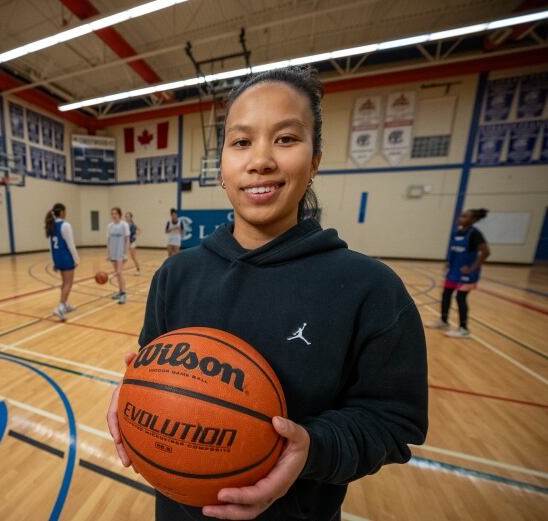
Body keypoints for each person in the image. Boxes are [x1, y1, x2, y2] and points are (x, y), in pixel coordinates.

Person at [107, 67, 428, 521]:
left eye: (286, 139)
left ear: (315, 159)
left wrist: (311, 448)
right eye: (241, 142)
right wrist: (135, 397)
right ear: (221, 164)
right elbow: (151, 371)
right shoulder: (176, 275)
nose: (260, 160)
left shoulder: (370, 290)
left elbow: (395, 423)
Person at [427, 209, 490, 338]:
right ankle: (444, 321)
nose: (460, 218)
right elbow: (454, 251)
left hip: (467, 275)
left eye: (464, 216)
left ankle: (463, 328)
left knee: (461, 298)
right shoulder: (456, 232)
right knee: (446, 295)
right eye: (461, 216)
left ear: (473, 220)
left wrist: (472, 268)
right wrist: (449, 264)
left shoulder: (475, 234)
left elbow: (485, 252)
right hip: (453, 272)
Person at [45, 203, 80, 321]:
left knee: (64, 282)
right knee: (68, 283)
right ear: (62, 213)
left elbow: (50, 246)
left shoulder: (51, 225)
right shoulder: (65, 225)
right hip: (66, 257)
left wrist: (54, 261)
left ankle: (64, 305)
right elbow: (71, 244)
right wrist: (76, 259)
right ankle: (60, 307)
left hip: (58, 258)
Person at [107, 207, 130, 304]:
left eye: (115, 213)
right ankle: (120, 292)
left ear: (119, 214)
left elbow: (127, 240)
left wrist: (126, 254)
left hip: (120, 253)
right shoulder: (110, 226)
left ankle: (124, 294)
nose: (114, 215)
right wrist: (108, 254)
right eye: (112, 213)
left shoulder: (124, 225)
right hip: (113, 253)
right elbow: (108, 240)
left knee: (120, 273)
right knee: (117, 273)